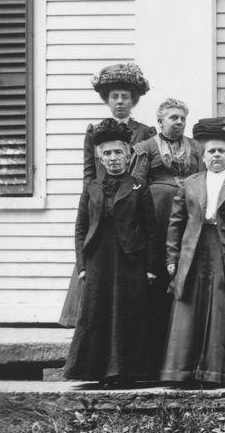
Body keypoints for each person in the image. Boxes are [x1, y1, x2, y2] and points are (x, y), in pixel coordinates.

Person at [161, 118, 225, 385]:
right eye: (211, 151)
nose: (216, 155)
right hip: (194, 252)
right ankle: (182, 371)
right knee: (189, 307)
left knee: (222, 309)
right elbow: (176, 222)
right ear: (203, 156)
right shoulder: (190, 183)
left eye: (222, 151)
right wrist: (172, 257)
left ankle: (218, 372)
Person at [60, 63, 156, 328]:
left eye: (125, 96)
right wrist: (90, 202)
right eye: (115, 96)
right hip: (101, 207)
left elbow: (146, 175)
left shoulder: (145, 132)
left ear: (134, 100)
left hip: (130, 203)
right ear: (107, 100)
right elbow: (89, 174)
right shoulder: (94, 133)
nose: (120, 102)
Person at [64, 119, 157, 386]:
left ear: (128, 155)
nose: (113, 158)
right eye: (107, 153)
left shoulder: (139, 186)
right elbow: (81, 228)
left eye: (118, 152)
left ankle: (124, 372)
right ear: (100, 159)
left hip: (129, 258)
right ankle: (94, 371)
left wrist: (150, 267)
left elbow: (151, 230)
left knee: (126, 312)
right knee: (97, 312)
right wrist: (82, 265)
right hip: (98, 258)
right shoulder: (93, 187)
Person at [131, 98, 201, 360]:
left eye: (182, 118)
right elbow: (135, 186)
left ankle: (183, 349)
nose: (179, 122)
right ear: (160, 121)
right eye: (173, 117)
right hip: (157, 216)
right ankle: (154, 351)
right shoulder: (145, 148)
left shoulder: (195, 147)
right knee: (158, 274)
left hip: (189, 213)